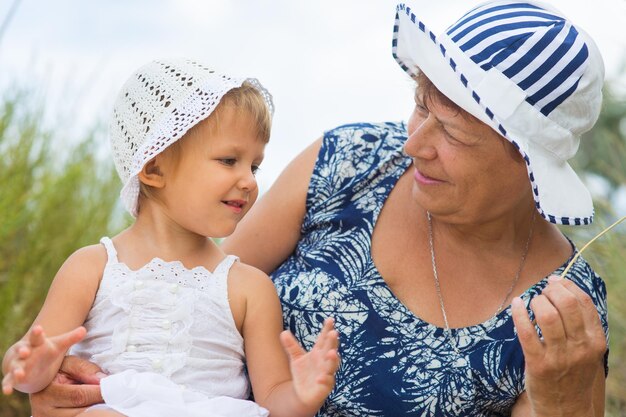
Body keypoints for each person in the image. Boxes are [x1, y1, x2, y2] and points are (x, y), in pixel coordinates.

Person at [29, 1, 610, 416]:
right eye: (420, 105)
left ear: (527, 165)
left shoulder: (563, 314)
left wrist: (568, 404)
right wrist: (84, 382)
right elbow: (198, 288)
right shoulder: (350, 161)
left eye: (452, 133)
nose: (413, 143)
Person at [2, 58, 340, 417]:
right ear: (154, 168)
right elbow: (29, 369)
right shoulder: (92, 267)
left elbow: (272, 396)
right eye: (229, 160)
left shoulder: (248, 288)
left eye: (254, 166)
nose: (249, 180)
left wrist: (301, 396)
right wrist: (31, 366)